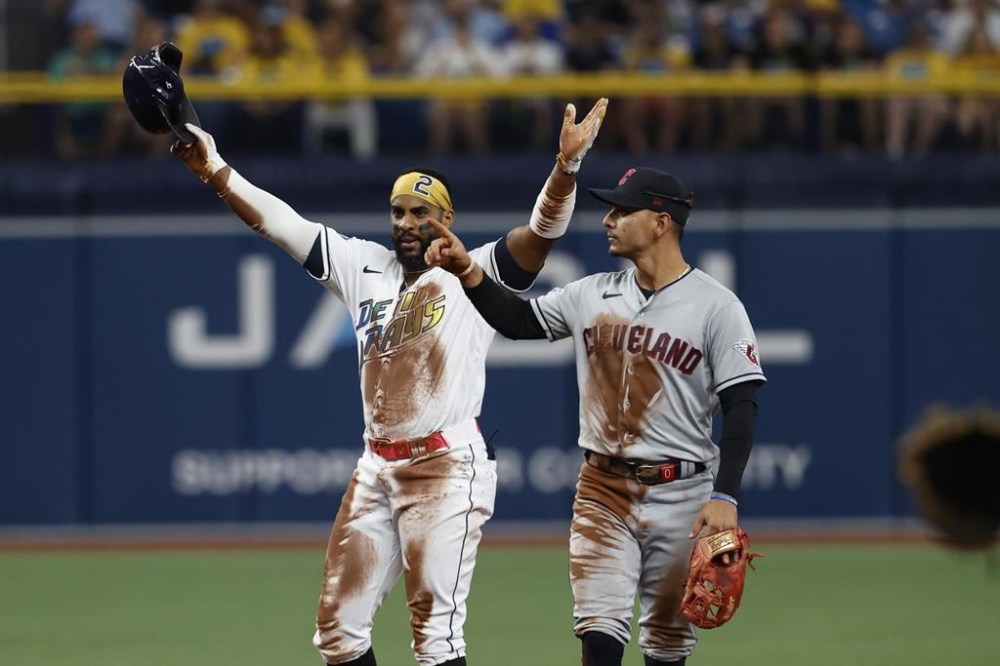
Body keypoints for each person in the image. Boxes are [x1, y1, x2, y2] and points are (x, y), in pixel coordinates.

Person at [169, 99, 608, 666]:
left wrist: (565, 170)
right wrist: (214, 167)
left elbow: (541, 234)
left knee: (435, 639)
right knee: (338, 632)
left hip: (446, 469)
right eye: (398, 210)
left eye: (420, 211)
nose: (405, 222)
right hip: (377, 466)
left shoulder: (474, 272)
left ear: (445, 220)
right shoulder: (363, 266)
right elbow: (279, 223)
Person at [423, 166, 766, 666]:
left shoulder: (717, 306)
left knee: (667, 650)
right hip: (602, 490)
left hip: (683, 495)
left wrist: (726, 496)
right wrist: (469, 274)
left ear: (660, 222)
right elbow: (519, 322)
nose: (608, 219)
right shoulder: (591, 292)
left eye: (622, 210)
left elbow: (743, 402)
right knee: (600, 639)